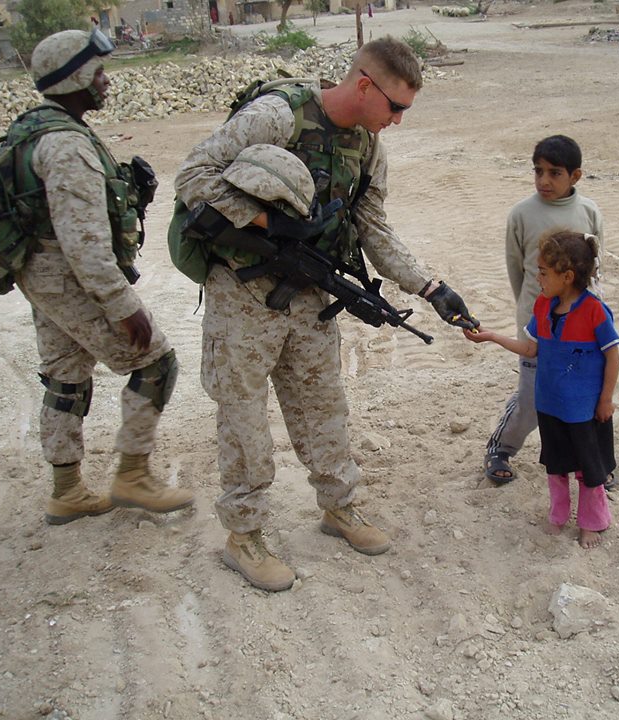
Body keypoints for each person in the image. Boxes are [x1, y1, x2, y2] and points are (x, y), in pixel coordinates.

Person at [174, 36, 477, 592]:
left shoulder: (367, 146)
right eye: (396, 107)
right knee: (243, 418)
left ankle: (339, 510)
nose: (399, 121)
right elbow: (193, 177)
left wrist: (429, 287)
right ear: (365, 85)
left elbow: (373, 227)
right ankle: (243, 536)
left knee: (324, 409)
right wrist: (269, 228)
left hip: (310, 296)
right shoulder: (275, 116)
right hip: (242, 297)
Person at [18, 29, 193, 525]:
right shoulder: (67, 146)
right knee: (156, 363)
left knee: (65, 376)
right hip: (70, 278)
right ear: (74, 77)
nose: (105, 81)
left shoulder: (36, 128)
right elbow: (85, 247)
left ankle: (66, 490)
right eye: (97, 72)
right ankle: (133, 475)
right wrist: (122, 306)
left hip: (41, 275)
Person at [465, 230, 619, 549]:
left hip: (584, 410)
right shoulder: (543, 306)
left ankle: (592, 522)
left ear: (567, 276)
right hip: (550, 406)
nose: (538, 277)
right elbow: (530, 349)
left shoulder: (594, 311)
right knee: (557, 466)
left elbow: (613, 355)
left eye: (544, 272)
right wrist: (492, 336)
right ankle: (558, 516)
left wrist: (606, 400)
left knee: (590, 471)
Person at [483, 135, 603, 484]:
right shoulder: (521, 214)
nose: (544, 181)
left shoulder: (590, 212)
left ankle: (592, 463)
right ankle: (501, 448)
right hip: (538, 325)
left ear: (575, 176)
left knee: (581, 394)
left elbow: (595, 271)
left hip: (581, 327)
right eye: (538, 171)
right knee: (533, 395)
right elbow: (516, 269)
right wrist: (532, 314)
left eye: (554, 173)